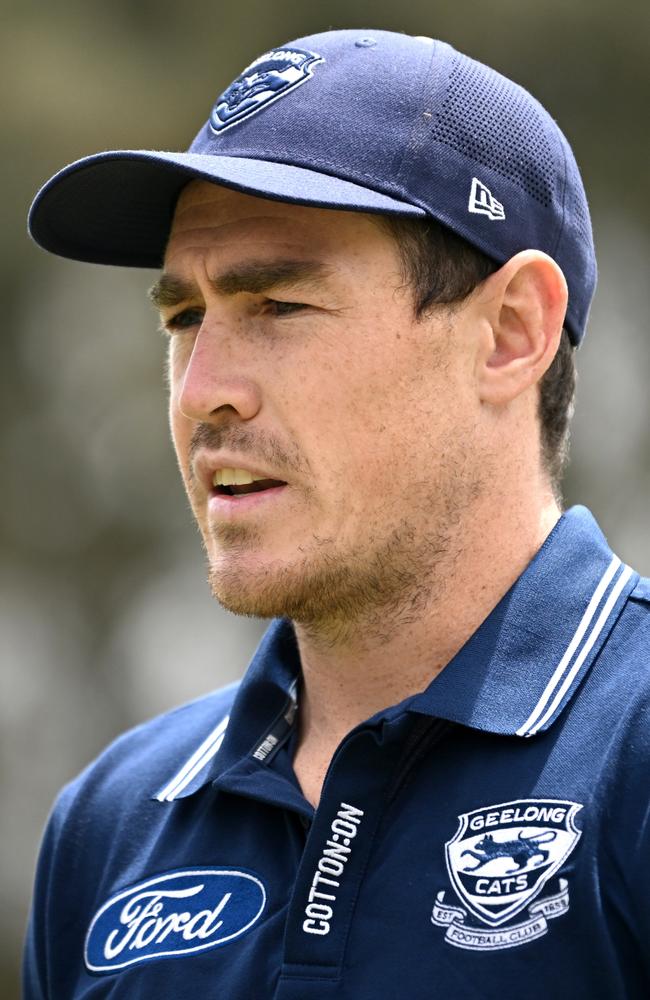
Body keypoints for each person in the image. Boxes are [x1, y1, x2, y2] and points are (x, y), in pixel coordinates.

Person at [24, 28, 650, 999]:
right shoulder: (111, 822)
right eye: (183, 318)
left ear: (509, 332)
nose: (202, 393)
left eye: (276, 304)